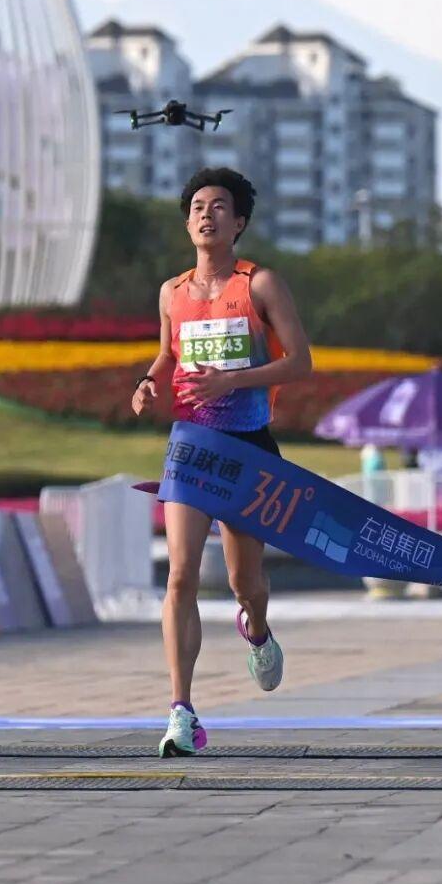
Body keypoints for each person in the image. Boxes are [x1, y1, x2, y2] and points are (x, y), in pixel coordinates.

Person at [132, 167, 313, 757]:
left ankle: (255, 628)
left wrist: (233, 380)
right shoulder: (171, 292)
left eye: (219, 207)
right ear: (188, 223)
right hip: (190, 447)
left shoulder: (260, 285)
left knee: (244, 581)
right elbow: (167, 353)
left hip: (247, 446)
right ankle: (181, 711)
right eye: (197, 207)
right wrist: (148, 383)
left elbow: (300, 363)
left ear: (238, 223)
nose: (206, 215)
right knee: (180, 575)